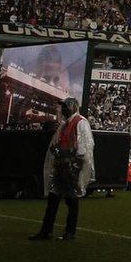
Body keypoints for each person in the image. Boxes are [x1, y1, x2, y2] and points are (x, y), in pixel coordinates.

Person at [29, 97, 95, 241]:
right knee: (54, 200)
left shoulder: (80, 122)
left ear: (72, 107)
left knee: (71, 201)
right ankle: (47, 231)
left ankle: (69, 232)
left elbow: (83, 149)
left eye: (65, 107)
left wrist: (77, 169)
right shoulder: (65, 124)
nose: (62, 109)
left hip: (70, 167)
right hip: (61, 166)